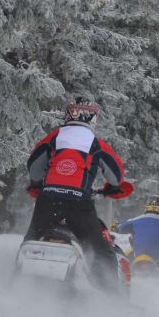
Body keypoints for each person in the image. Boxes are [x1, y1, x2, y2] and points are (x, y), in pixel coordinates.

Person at [24, 96, 131, 290]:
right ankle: (112, 299)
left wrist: (37, 183)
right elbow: (116, 175)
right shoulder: (96, 143)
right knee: (100, 249)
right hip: (78, 204)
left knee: (30, 241)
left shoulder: (54, 137)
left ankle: (13, 285)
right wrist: (113, 186)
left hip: (48, 201)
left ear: (68, 114)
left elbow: (33, 168)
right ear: (92, 117)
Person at [114, 195, 159, 277]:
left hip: (137, 257)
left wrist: (117, 227)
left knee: (123, 262)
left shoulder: (135, 221)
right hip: (158, 259)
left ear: (146, 207)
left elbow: (121, 229)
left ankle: (118, 282)